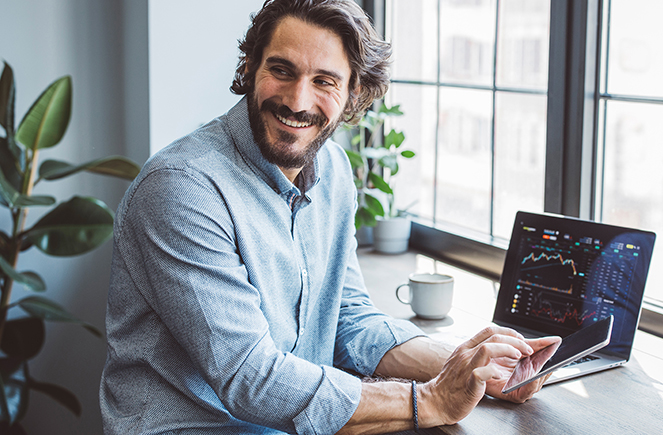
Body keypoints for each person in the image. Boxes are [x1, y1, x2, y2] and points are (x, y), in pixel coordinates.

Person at [99, 0, 560, 434]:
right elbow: (250, 377)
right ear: (249, 68)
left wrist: (470, 364)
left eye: (325, 81)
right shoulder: (182, 187)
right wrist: (431, 400)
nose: (298, 101)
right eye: (281, 70)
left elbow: (346, 318)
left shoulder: (335, 171)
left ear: (353, 92)